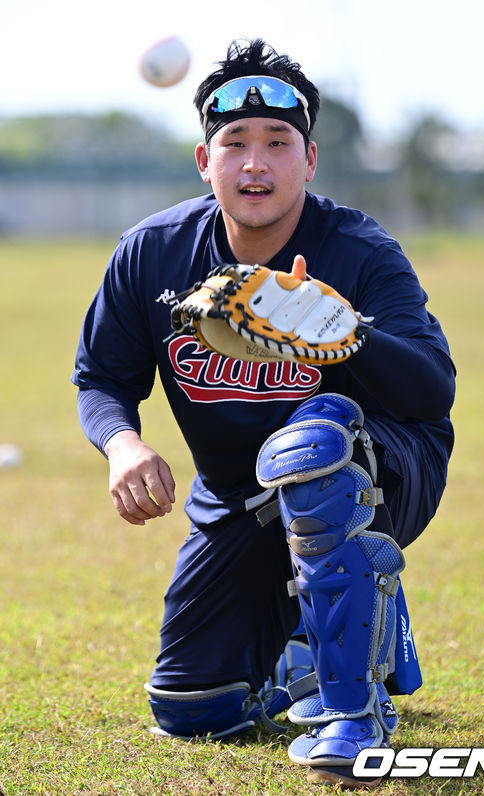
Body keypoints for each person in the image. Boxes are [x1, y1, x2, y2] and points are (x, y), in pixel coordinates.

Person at [72, 39, 455, 789]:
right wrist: (122, 446)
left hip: (383, 468)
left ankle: (354, 716)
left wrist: (345, 333)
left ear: (309, 159)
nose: (256, 163)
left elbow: (431, 390)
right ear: (203, 161)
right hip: (237, 498)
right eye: (235, 145)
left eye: (278, 144)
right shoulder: (152, 253)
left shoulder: (362, 252)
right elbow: (102, 377)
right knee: (191, 706)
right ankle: (306, 652)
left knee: (310, 448)